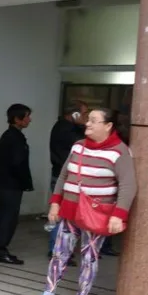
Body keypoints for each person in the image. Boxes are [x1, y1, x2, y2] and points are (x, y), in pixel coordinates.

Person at [26, 108, 136, 295]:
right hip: (69, 212)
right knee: (59, 254)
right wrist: (55, 203)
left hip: (96, 216)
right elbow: (63, 176)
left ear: (108, 125)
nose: (88, 124)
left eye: (94, 121)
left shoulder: (119, 152)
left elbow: (128, 185)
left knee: (89, 258)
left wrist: (118, 214)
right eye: (89, 120)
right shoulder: (78, 147)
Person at [0, 103, 33, 264]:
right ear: (17, 119)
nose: (30, 120)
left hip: (10, 183)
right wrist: (25, 181)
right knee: (7, 217)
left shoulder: (14, 136)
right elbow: (17, 163)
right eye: (27, 116)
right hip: (10, 184)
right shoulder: (12, 137)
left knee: (7, 216)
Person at [48, 102, 87, 261]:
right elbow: (81, 143)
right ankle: (56, 250)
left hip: (63, 176)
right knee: (61, 214)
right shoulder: (66, 129)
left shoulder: (65, 127)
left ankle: (61, 249)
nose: (86, 120)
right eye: (84, 115)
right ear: (75, 114)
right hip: (62, 177)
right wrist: (83, 126)